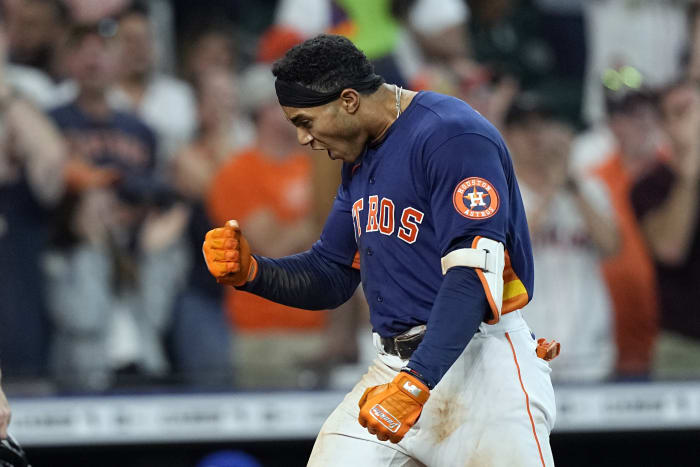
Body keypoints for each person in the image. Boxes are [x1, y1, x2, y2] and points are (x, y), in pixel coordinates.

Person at [203, 34, 556, 466]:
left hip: (482, 370)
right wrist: (252, 272)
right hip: (395, 365)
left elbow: (473, 277)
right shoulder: (361, 155)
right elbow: (332, 271)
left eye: (305, 121)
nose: (302, 139)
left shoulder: (451, 135)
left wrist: (416, 384)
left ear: (348, 100)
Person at [505, 95, 618, 383]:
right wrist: (554, 186)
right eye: (524, 128)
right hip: (524, 355)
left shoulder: (588, 187)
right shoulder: (500, 192)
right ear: (507, 136)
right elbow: (513, 251)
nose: (536, 136)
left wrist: (571, 184)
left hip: (590, 351)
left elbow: (612, 246)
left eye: (542, 126)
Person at [631, 80, 700, 379]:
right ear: (666, 125)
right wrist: (689, 175)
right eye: (684, 112)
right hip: (683, 345)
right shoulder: (650, 185)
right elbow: (670, 249)